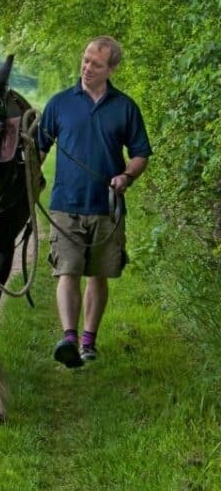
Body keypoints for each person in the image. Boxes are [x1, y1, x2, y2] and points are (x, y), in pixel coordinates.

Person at [37, 36, 153, 368]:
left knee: (98, 275)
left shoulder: (126, 107)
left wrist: (127, 176)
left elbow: (141, 153)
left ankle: (89, 340)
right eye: (85, 60)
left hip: (106, 205)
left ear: (111, 69)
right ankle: (69, 339)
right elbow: (39, 151)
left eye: (96, 64)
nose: (87, 68)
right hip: (65, 204)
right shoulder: (59, 104)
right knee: (67, 271)